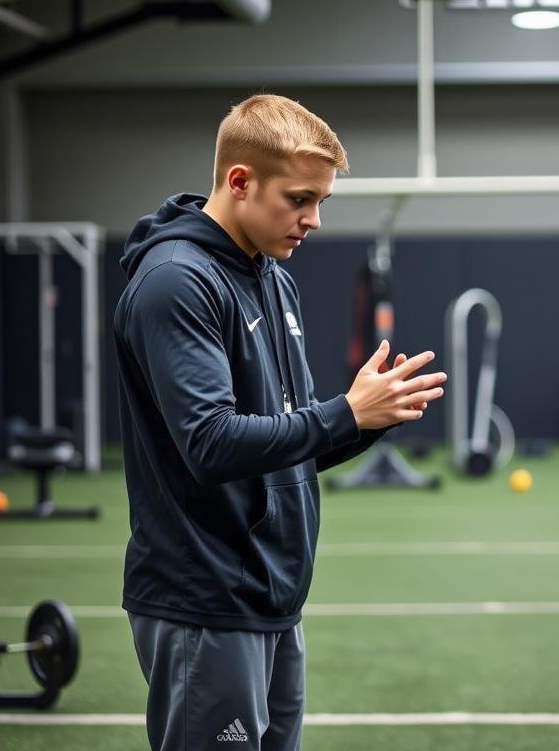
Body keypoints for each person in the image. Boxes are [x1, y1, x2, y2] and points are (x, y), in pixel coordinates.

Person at [113, 94, 447, 751]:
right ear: (239, 182)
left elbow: (283, 442)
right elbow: (210, 444)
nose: (314, 220)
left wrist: (368, 421)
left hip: (271, 595)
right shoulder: (176, 283)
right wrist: (345, 411)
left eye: (320, 201)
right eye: (299, 199)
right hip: (205, 598)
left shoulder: (272, 276)